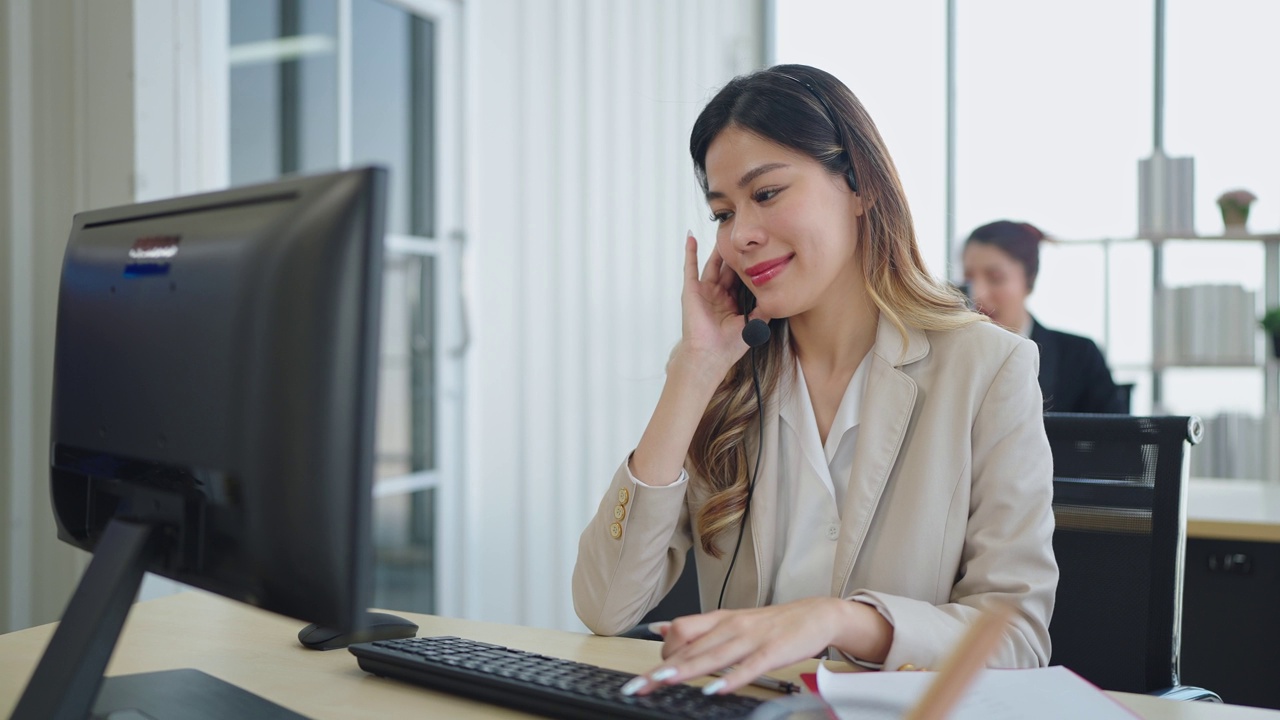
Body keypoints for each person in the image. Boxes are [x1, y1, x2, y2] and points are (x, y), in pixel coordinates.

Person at [571, 64, 1057, 697]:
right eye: (723, 212)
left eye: (766, 194)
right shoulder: (726, 372)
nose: (741, 233)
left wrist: (839, 620)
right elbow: (606, 605)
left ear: (859, 184)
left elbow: (1016, 637)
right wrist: (691, 372)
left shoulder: (988, 367)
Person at [962, 220, 1127, 414]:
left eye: (996, 278)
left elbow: (1115, 441)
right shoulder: (954, 357)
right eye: (968, 279)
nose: (978, 293)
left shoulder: (1079, 357)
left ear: (1030, 280)